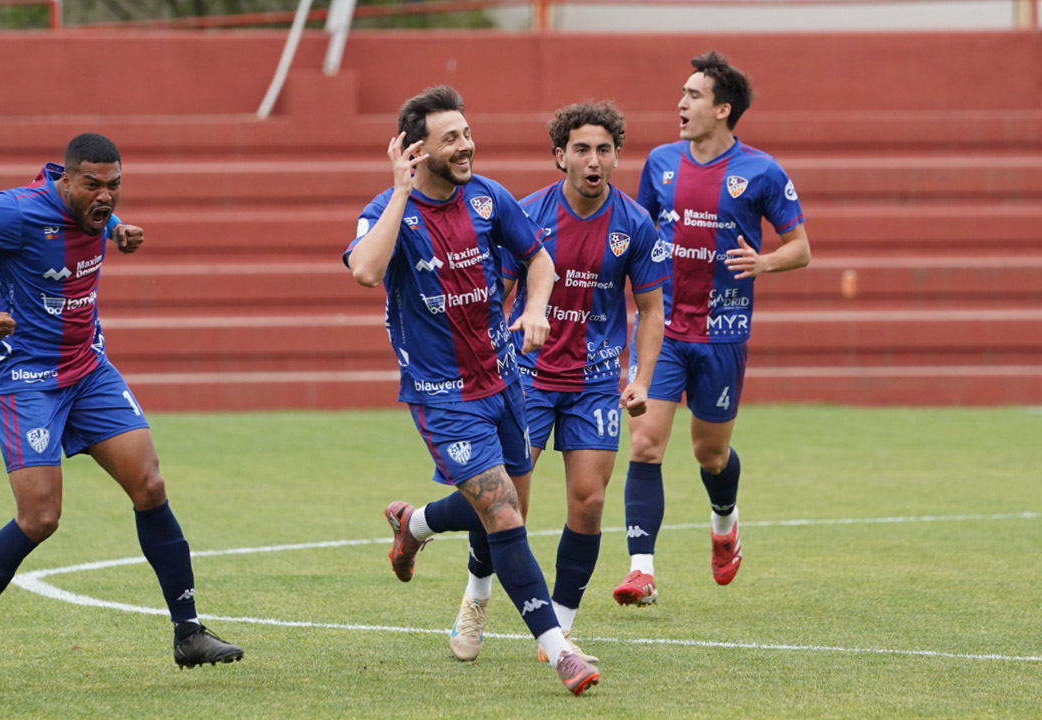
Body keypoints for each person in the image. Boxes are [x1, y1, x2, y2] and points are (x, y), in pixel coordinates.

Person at [0, 133, 243, 690]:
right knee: (40, 518)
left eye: (115, 186)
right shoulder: (13, 212)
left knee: (151, 487)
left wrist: (117, 229)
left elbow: (96, 217)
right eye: (92, 184)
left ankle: (188, 632)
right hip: (24, 379)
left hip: (88, 371)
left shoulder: (98, 213)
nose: (106, 196)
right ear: (64, 179)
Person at [343, 85, 599, 696]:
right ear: (413, 151)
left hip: (506, 381)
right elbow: (364, 271)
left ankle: (417, 524)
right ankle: (560, 650)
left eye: (467, 132)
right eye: (450, 138)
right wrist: (401, 192)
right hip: (443, 396)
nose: (466, 146)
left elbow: (540, 261)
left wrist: (536, 307)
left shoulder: (489, 198)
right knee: (504, 511)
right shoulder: (389, 209)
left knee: (504, 502)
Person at [443, 101, 667, 665]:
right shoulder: (527, 212)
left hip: (594, 384)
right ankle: (477, 595)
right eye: (582, 149)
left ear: (617, 157)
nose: (594, 160)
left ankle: (560, 629)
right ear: (559, 155)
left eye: (604, 150)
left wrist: (641, 378)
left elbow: (650, 308)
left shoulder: (635, 223)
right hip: (526, 379)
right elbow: (495, 296)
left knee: (588, 503)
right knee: (505, 504)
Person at [611, 51, 811, 607]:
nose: (681, 103)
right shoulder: (660, 162)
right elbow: (640, 232)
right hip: (663, 328)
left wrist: (765, 263)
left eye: (693, 96)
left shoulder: (762, 172)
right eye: (683, 93)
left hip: (722, 334)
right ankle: (641, 570)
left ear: (723, 109)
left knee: (710, 455)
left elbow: (801, 249)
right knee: (646, 444)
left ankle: (725, 522)